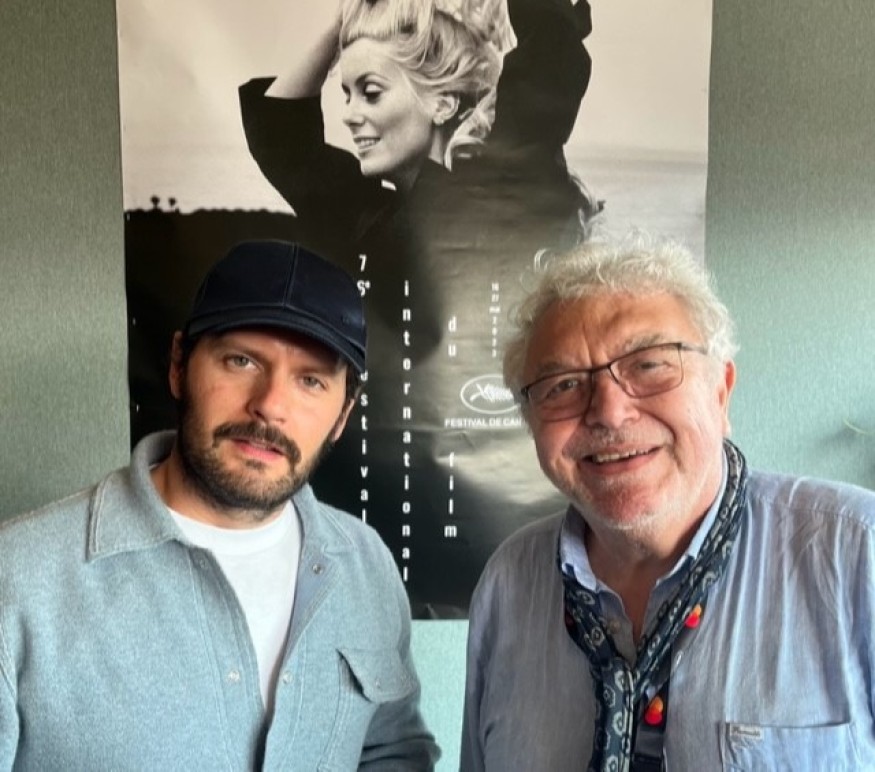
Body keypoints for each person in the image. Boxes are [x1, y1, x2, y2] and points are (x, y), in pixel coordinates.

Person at [0, 240, 439, 770]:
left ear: (342, 415)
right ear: (179, 365)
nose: (270, 405)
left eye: (310, 380)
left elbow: (392, 752)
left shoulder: (365, 565)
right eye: (241, 360)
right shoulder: (18, 579)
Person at [237, 0, 601, 617]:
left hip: (504, 527)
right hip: (380, 529)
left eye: (371, 92)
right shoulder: (365, 213)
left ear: (441, 103)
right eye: (345, 94)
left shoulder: (512, 180)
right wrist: (347, 17)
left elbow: (551, 52)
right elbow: (278, 132)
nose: (349, 115)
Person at [460, 236, 875, 771]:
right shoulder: (508, 584)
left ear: (721, 391)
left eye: (649, 365)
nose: (609, 412)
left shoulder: (856, 555)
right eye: (563, 385)